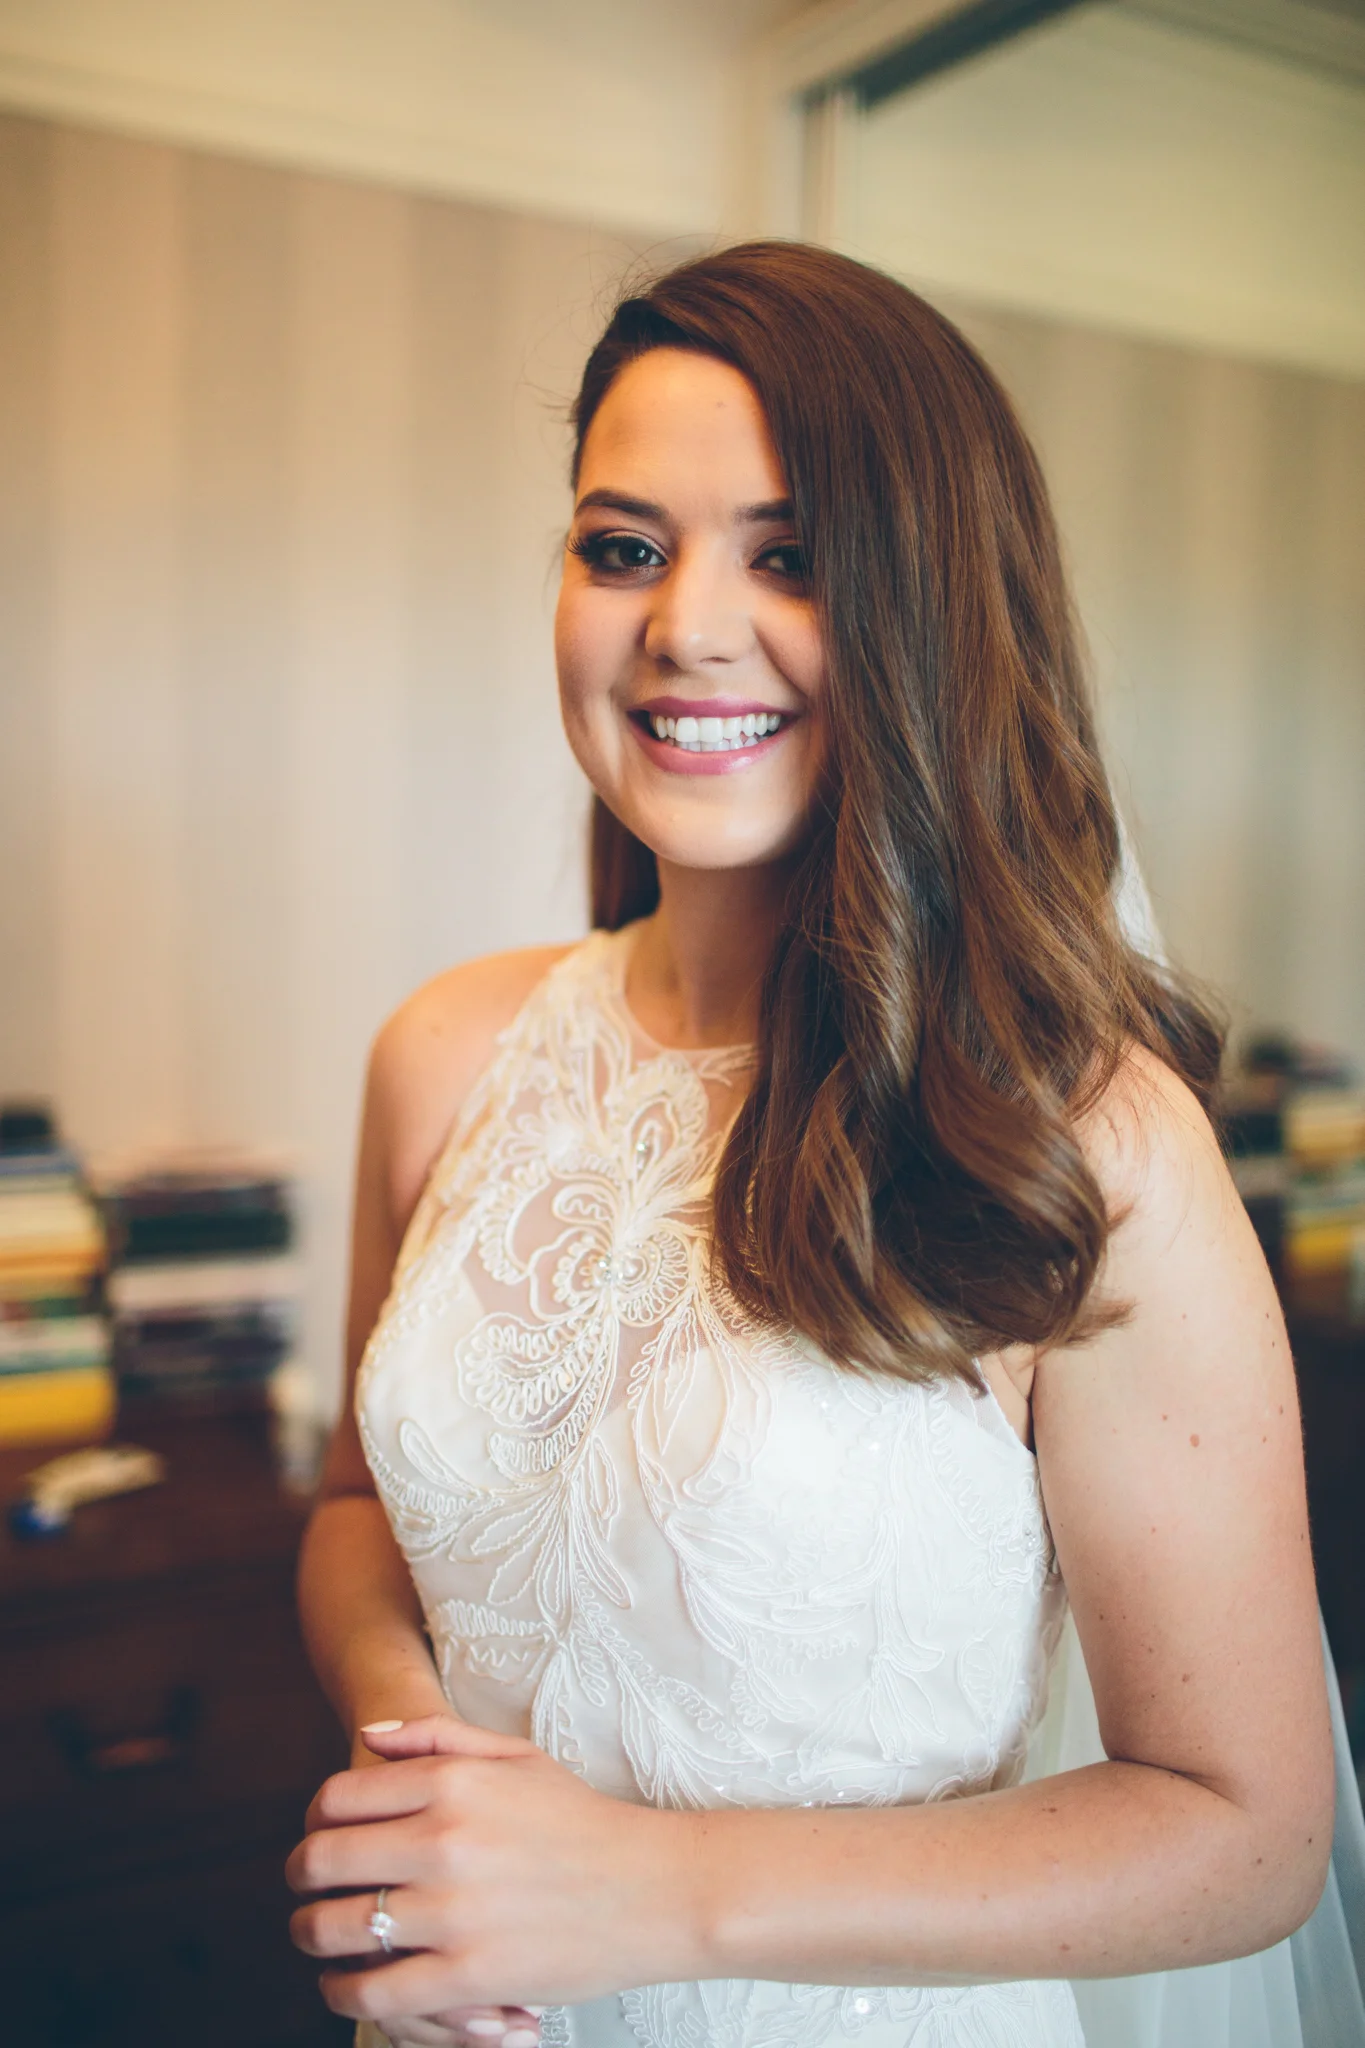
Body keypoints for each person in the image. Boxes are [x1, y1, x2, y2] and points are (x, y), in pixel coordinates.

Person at [285, 243, 1343, 2048]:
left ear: (934, 608)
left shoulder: (1081, 1145)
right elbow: (356, 1512)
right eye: (625, 546)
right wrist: (424, 1779)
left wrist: (652, 1893)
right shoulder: (443, 1057)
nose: (687, 624)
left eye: (794, 557)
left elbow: (1244, 1834)